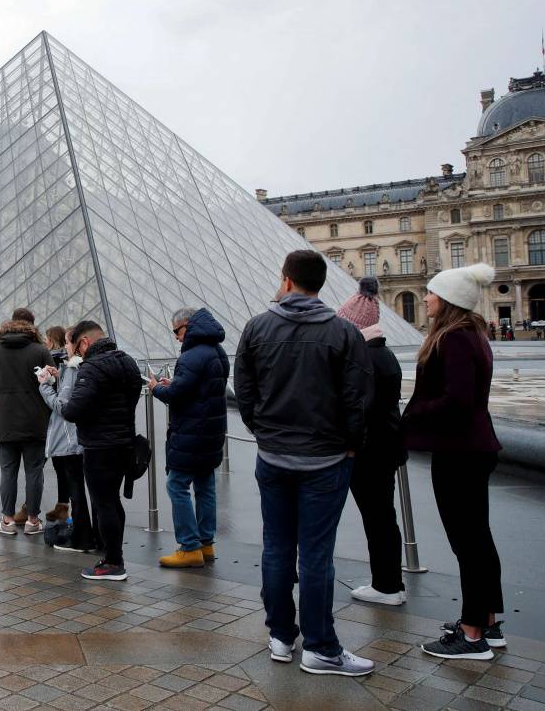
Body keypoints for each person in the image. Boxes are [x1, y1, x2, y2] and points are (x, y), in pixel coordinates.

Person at [234, 250, 374, 677]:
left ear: (288, 280)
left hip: (273, 457)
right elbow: (358, 398)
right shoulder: (343, 332)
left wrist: (264, 431)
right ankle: (320, 647)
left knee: (276, 547)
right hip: (325, 460)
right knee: (316, 554)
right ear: (320, 283)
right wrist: (351, 444)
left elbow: (243, 387)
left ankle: (280, 635)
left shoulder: (257, 327)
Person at [402, 263, 505, 660]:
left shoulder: (456, 339)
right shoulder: (471, 334)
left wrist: (413, 414)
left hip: (460, 451)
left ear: (447, 301)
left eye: (430, 292)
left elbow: (457, 400)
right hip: (473, 447)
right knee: (478, 539)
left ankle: (472, 633)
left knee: (469, 543)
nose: (425, 298)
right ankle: (487, 621)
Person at [331, 279, 408, 606]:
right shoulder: (384, 354)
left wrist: (347, 444)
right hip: (386, 446)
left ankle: (387, 586)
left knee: (377, 518)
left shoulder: (363, 359)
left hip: (369, 451)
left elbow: (357, 410)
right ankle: (390, 582)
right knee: (382, 517)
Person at [61, 320, 143, 581]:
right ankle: (113, 557)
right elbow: (131, 396)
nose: (73, 352)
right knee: (113, 501)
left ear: (84, 342)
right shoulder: (127, 361)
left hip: (99, 446)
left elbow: (74, 410)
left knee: (104, 502)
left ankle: (113, 562)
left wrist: (64, 402)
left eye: (73, 346)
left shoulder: (92, 367)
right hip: (123, 442)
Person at [150, 307, 228, 569]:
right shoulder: (217, 351)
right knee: (205, 486)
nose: (176, 337)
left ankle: (189, 546)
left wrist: (157, 388)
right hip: (212, 432)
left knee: (176, 485)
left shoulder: (191, 356)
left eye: (176, 331)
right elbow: (202, 389)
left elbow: (177, 395)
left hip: (191, 432)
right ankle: (206, 544)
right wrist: (174, 384)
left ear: (186, 325)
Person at [0, 308, 53, 536]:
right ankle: (33, 521)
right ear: (32, 325)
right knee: (34, 471)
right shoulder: (40, 350)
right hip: (36, 420)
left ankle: (7, 521)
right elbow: (51, 383)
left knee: (8, 471)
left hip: (5, 419)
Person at [37, 332, 96, 553]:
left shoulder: (73, 368)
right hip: (86, 437)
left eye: (68, 341)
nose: (66, 346)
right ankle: (92, 535)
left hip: (70, 439)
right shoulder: (86, 366)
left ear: (79, 343)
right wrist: (58, 377)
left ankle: (81, 538)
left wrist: (45, 385)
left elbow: (63, 406)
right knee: (87, 490)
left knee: (76, 490)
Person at [41, 326, 71, 523]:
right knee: (63, 468)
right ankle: (63, 506)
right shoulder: (65, 361)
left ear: (51, 341)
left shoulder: (50, 359)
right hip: (65, 423)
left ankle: (29, 507)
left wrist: (45, 383)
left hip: (50, 418)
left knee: (37, 465)